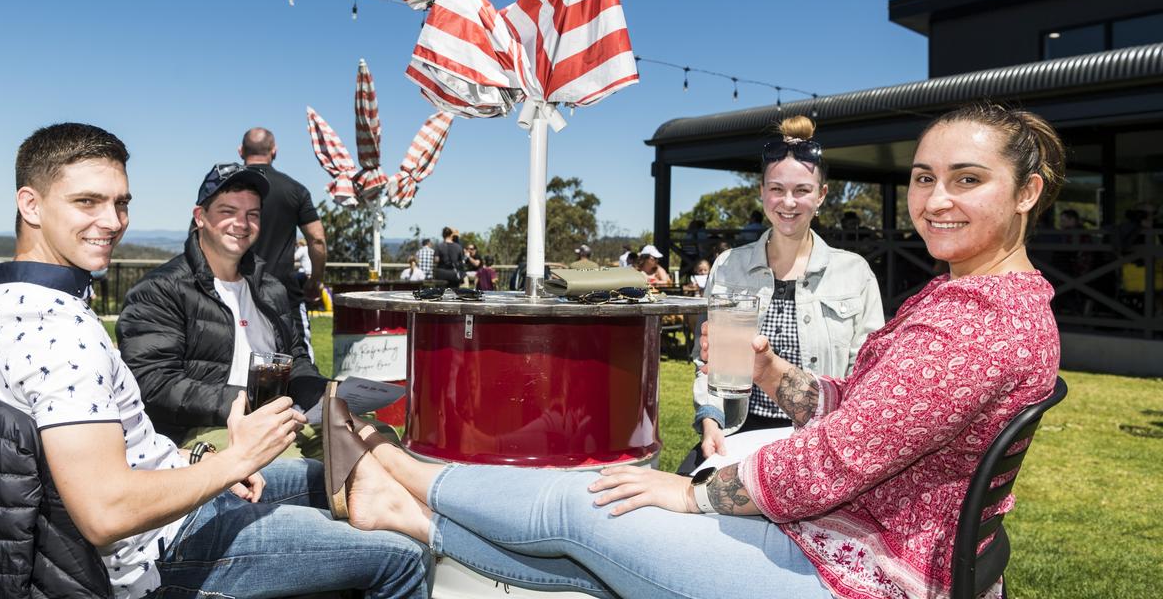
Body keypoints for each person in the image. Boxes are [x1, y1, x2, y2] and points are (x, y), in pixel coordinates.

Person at [335, 102, 1066, 599]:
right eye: (924, 178)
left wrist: (688, 492)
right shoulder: (973, 300)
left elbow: (831, 463)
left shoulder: (973, 324)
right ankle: (403, 514)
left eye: (968, 181)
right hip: (873, 532)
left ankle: (395, 465)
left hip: (862, 568)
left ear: (1027, 191)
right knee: (599, 543)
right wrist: (776, 378)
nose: (936, 200)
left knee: (588, 505)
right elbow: (874, 413)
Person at [0, 124, 429, 599]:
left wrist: (198, 459)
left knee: (353, 479)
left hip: (178, 476)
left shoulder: (17, 300)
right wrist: (234, 459)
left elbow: (117, 446)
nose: (113, 221)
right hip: (156, 547)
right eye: (87, 202)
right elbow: (107, 514)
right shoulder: (55, 328)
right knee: (399, 556)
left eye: (121, 203)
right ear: (31, 204)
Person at [679, 116, 886, 474]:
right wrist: (710, 420)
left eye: (802, 190)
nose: (788, 202)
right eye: (776, 189)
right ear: (761, 192)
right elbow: (707, 362)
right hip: (738, 432)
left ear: (821, 195)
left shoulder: (855, 274)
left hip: (818, 442)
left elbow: (867, 377)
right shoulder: (728, 267)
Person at [116, 163, 326, 447]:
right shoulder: (160, 290)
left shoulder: (271, 289)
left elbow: (296, 359)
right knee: (319, 470)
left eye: (252, 215)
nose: (242, 224)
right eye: (228, 212)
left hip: (278, 421)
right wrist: (249, 404)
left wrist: (322, 394)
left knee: (372, 438)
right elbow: (154, 384)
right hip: (202, 431)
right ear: (200, 217)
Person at [240, 127, 326, 356]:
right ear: (274, 151)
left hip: (235, 290)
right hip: (283, 292)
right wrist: (315, 281)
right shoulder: (295, 190)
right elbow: (317, 240)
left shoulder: (226, 189)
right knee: (299, 360)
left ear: (241, 151)